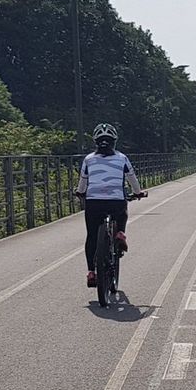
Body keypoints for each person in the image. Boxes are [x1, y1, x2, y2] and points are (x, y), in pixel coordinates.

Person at [80, 123, 144, 287]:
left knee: (92, 236)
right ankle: (120, 233)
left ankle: (91, 272)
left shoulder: (88, 159)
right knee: (122, 211)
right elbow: (132, 178)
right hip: (116, 201)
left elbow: (83, 183)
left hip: (93, 203)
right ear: (114, 141)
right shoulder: (122, 158)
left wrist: (80, 193)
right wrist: (138, 193)